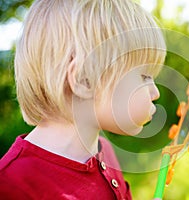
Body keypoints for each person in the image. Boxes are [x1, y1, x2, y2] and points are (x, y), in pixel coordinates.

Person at [0, 0, 166, 199]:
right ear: (84, 80)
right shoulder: (12, 185)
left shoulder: (104, 151)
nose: (155, 92)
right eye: (144, 76)